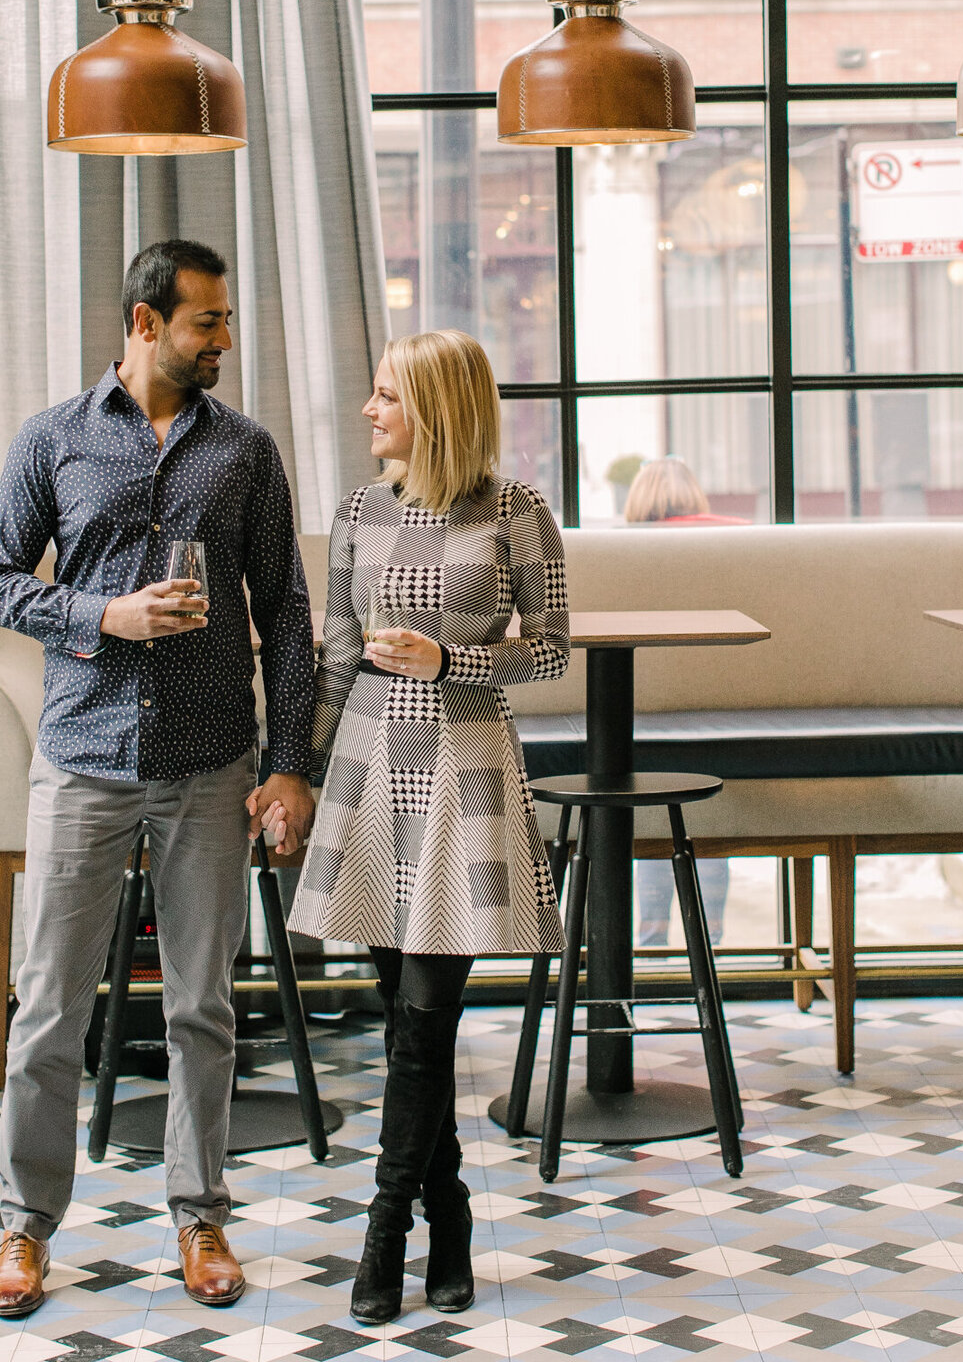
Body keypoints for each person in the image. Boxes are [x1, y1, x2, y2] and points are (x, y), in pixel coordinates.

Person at [0, 239, 317, 1319]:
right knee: (47, 1012)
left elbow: (291, 617)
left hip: (209, 763)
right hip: (80, 758)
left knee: (203, 1008)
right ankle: (25, 1230)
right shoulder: (55, 440)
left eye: (223, 322)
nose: (222, 340)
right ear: (142, 321)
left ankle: (199, 1214)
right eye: (204, 322)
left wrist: (290, 764)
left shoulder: (246, 453)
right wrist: (101, 616)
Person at [274, 329, 568, 1327]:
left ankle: (385, 1228)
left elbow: (554, 651)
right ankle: (451, 1211)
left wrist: (453, 663)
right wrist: (296, 777)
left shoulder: (516, 513)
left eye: (386, 395)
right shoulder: (358, 513)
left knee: (422, 1025)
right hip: (366, 778)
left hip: (467, 776)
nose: (369, 411)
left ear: (435, 410)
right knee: (409, 1025)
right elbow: (339, 653)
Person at [623, 456, 736, 948]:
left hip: (640, 711)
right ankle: (707, 938)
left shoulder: (623, 549)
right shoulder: (737, 540)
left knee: (647, 815)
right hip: (723, 712)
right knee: (708, 825)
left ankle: (651, 937)